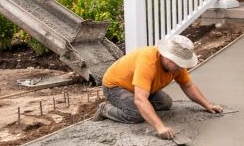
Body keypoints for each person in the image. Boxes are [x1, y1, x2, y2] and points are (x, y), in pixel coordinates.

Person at [94, 35, 223, 138]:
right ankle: (104, 109)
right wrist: (160, 127)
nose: (180, 68)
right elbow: (140, 99)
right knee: (136, 114)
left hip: (141, 87)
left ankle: (138, 106)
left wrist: (207, 104)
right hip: (116, 86)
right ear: (168, 58)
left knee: (165, 103)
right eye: (178, 64)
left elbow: (188, 85)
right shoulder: (148, 62)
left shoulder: (177, 66)